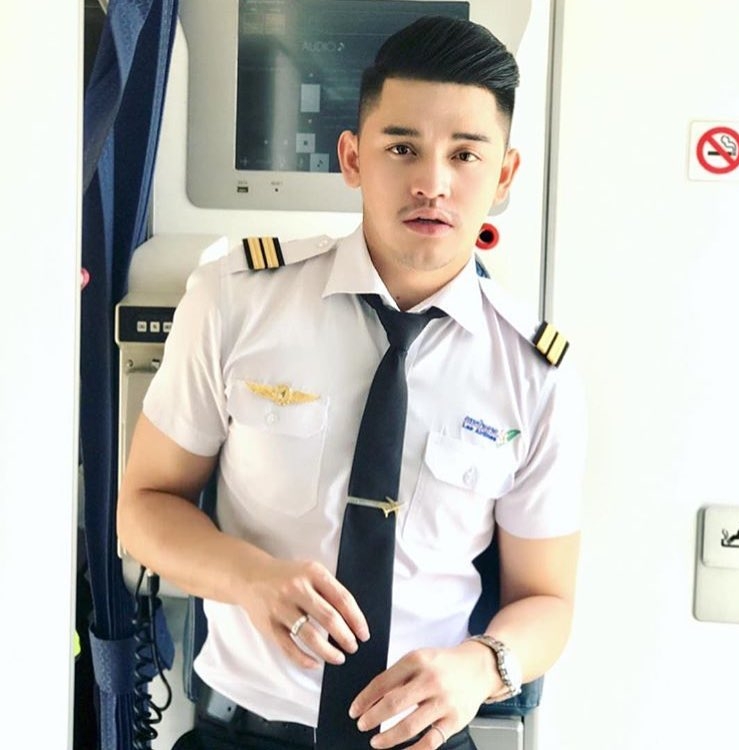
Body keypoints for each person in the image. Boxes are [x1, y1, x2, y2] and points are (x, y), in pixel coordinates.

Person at [117, 14, 586, 750]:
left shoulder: (534, 374)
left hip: (420, 737)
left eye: (465, 154)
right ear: (353, 157)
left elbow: (548, 600)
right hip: (242, 733)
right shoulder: (236, 300)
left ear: (503, 176)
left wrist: (481, 666)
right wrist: (250, 577)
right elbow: (144, 509)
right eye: (402, 147)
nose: (432, 182)